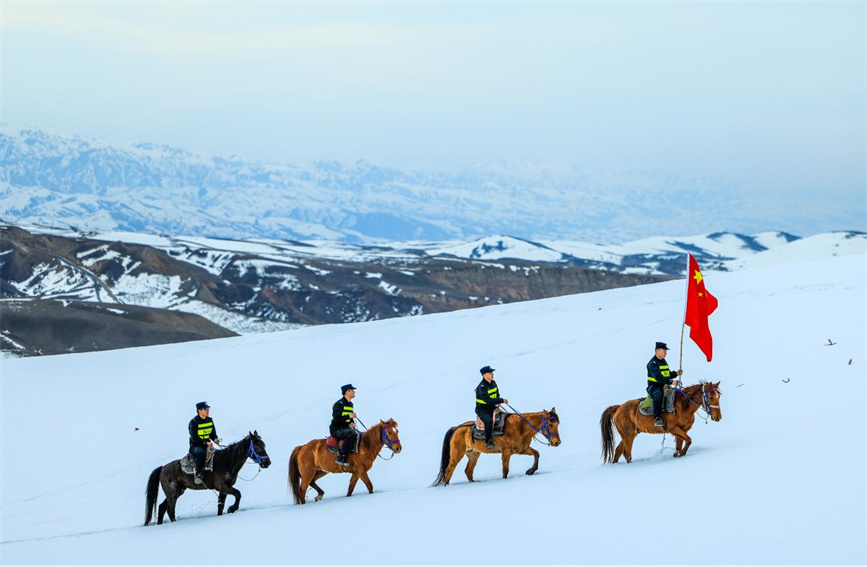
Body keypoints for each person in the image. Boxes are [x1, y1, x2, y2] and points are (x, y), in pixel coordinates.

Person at [647, 342, 683, 427]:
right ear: (657, 351)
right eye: (664, 351)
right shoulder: (653, 364)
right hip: (654, 387)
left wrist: (676, 373)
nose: (666, 353)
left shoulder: (663, 362)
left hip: (664, 385)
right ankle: (657, 418)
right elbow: (659, 378)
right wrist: (672, 382)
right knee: (659, 395)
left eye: (666, 351)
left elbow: (667, 374)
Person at [475, 365, 508, 449]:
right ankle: (488, 441)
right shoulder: (481, 387)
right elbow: (488, 401)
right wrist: (501, 400)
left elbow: (497, 394)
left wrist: (498, 401)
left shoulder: (493, 383)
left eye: (492, 373)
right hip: (483, 409)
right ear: (484, 375)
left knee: (506, 417)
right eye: (490, 373)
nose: (492, 374)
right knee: (489, 421)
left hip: (493, 407)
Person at [189, 401, 219, 485]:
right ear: (199, 411)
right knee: (200, 453)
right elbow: (194, 438)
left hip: (207, 444)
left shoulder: (210, 420)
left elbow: (212, 434)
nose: (207, 411)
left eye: (207, 409)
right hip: (195, 445)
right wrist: (206, 443)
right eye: (205, 409)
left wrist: (215, 439)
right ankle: (199, 475)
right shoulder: (193, 422)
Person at [330, 384, 359, 466]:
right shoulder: (339, 404)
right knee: (352, 434)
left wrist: (351, 423)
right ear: (347, 392)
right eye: (352, 390)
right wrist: (349, 416)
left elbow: (348, 419)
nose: (354, 392)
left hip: (345, 429)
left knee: (358, 434)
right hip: (337, 429)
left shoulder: (350, 404)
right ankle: (341, 458)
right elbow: (336, 419)